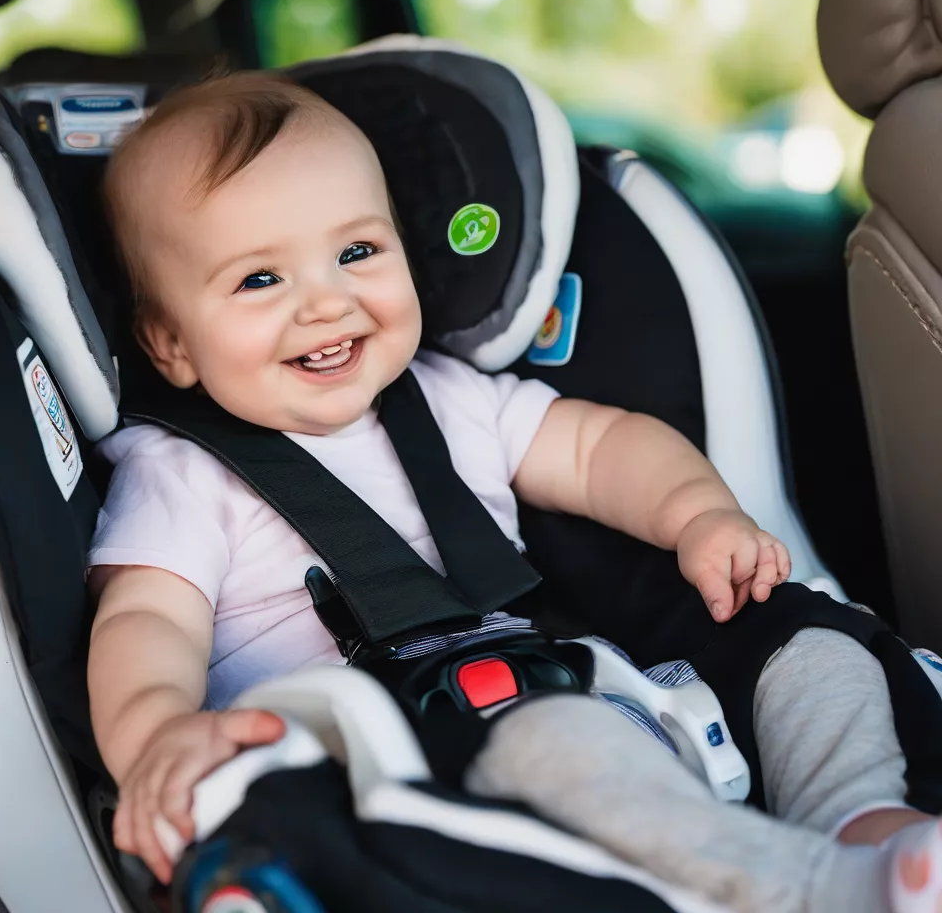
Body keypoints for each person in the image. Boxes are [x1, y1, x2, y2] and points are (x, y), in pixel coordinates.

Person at [86, 72, 940, 913]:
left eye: (356, 252)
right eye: (259, 280)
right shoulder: (181, 473)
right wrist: (157, 735)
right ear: (171, 345)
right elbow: (146, 622)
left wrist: (697, 514)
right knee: (559, 743)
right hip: (390, 776)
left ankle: (857, 821)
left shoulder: (452, 396)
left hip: (595, 695)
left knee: (813, 651)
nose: (326, 301)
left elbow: (602, 446)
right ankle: (810, 893)